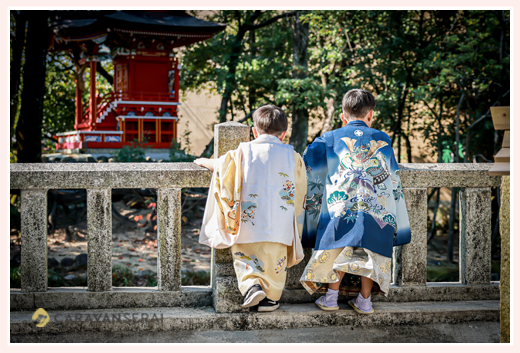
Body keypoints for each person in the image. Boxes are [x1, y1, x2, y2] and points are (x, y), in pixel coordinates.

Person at [299, 89, 411, 314]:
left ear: (343, 116)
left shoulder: (330, 138)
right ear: (371, 115)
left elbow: (309, 161)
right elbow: (392, 176)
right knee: (369, 250)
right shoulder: (383, 139)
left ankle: (330, 298)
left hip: (341, 207)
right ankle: (364, 301)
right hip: (376, 208)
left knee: (338, 246)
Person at [196, 105, 306, 312]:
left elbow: (222, 167)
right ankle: (270, 299)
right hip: (279, 224)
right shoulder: (293, 156)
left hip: (248, 221)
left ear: (254, 131)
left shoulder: (242, 151)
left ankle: (251, 286)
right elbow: (300, 190)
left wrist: (202, 161)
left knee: (245, 259)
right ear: (284, 134)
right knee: (275, 265)